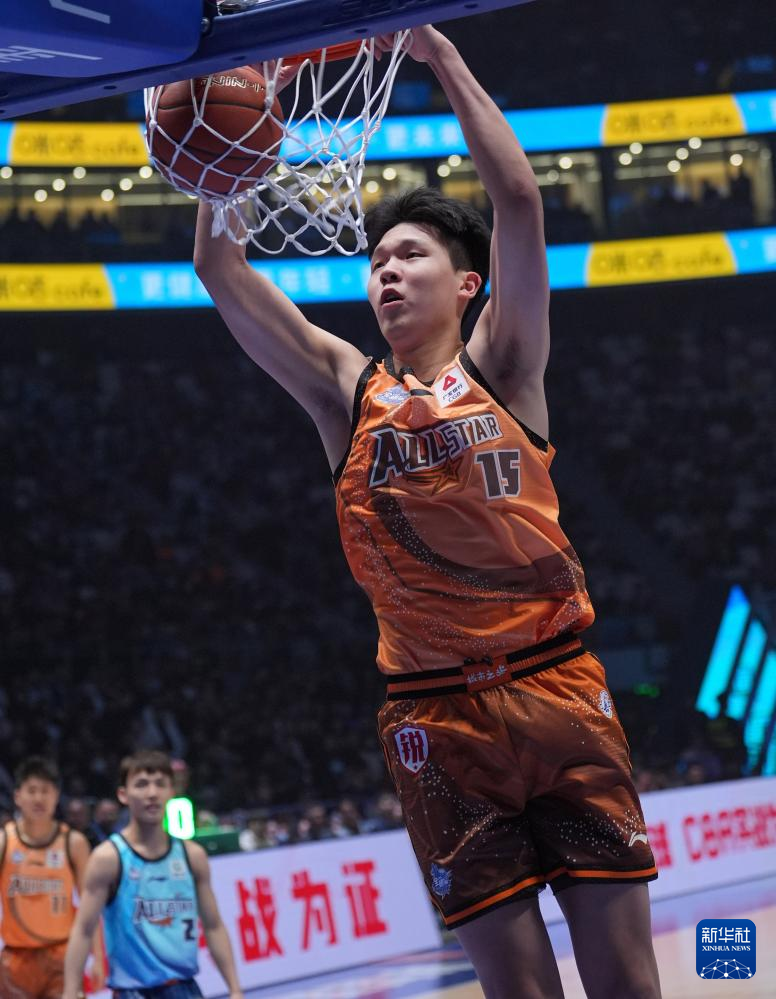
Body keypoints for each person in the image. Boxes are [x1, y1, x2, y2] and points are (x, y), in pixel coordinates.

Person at [194, 24, 662, 999]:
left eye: (409, 255)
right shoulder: (344, 391)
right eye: (376, 262)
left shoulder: (506, 365)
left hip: (556, 686)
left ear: (467, 284)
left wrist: (437, 55)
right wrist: (222, 146)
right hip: (434, 719)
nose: (386, 272)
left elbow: (518, 202)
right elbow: (220, 271)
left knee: (626, 984)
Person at [63, 750, 242, 999]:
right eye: (141, 784)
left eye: (160, 784)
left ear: (171, 792)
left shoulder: (192, 856)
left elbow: (213, 926)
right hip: (132, 992)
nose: (152, 793)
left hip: (184, 989)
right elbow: (83, 929)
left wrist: (235, 989)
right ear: (123, 794)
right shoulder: (108, 858)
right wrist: (70, 992)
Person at [0, 757, 104, 999]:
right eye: (32, 791)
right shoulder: (4, 842)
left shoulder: (74, 843)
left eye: (45, 791)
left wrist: (98, 958)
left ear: (56, 796)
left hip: (63, 958)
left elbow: (90, 908)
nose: (39, 798)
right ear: (17, 796)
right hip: (16, 960)